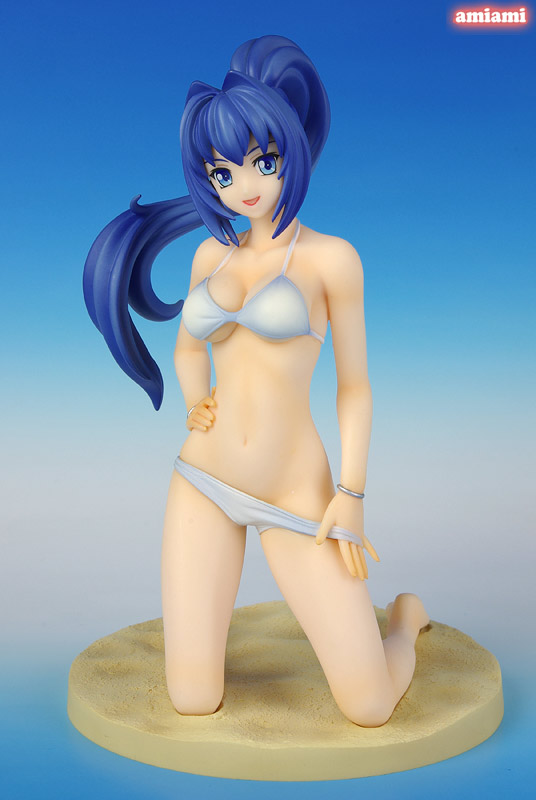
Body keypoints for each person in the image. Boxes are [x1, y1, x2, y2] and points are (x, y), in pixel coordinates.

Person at [84, 35, 429, 727]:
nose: (245, 185)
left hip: (295, 493)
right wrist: (195, 401)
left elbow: (354, 388)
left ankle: (404, 623)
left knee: (369, 705)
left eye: (263, 162)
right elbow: (189, 347)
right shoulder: (209, 255)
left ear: (291, 151)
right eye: (222, 172)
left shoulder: (331, 260)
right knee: (192, 698)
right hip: (203, 479)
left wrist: (351, 494)